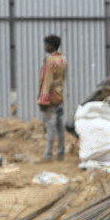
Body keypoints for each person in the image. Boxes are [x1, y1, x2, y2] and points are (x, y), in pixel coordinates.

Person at [38, 34, 68, 162]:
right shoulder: (63, 59)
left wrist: (42, 99)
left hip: (50, 99)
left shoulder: (50, 60)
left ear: (51, 45)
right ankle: (61, 154)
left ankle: (48, 155)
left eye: (46, 44)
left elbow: (47, 81)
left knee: (50, 126)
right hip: (59, 97)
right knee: (60, 127)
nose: (45, 47)